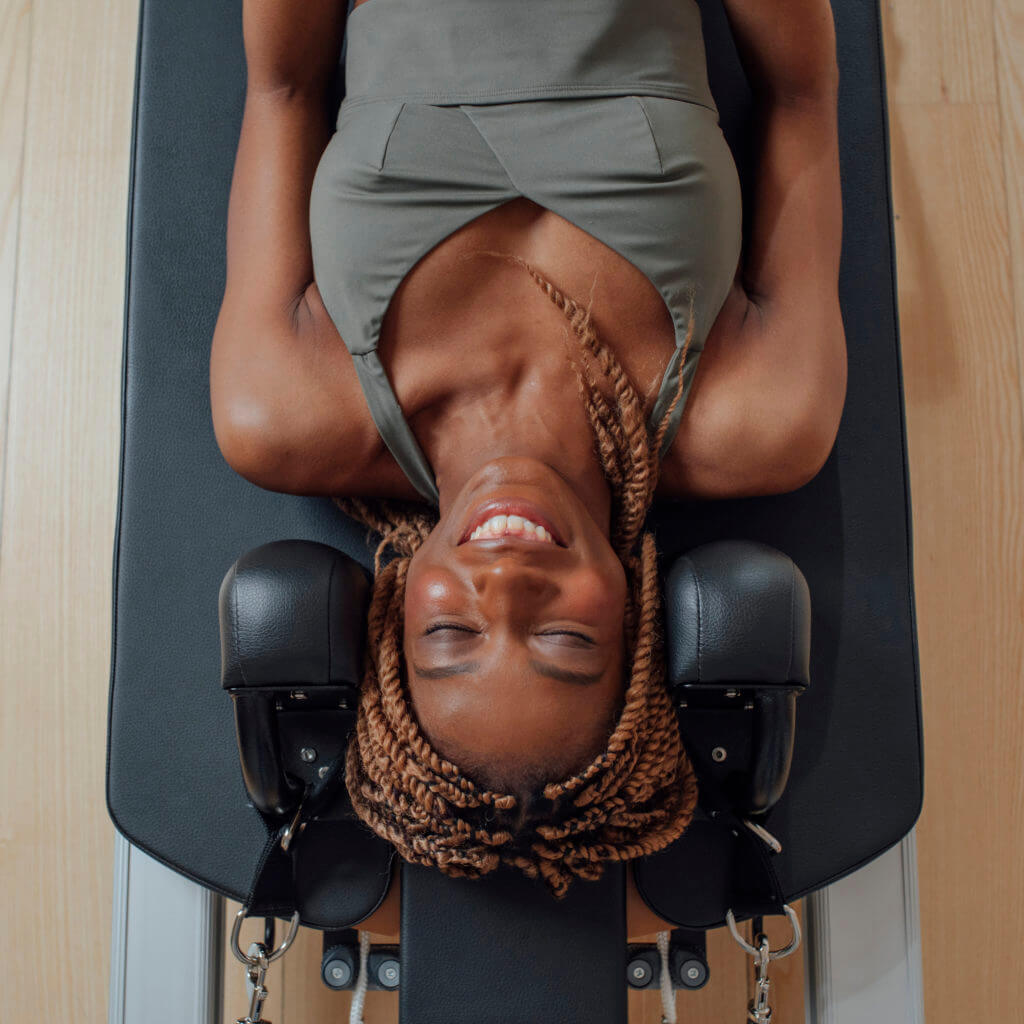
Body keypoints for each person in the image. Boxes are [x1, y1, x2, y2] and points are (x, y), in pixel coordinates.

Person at [210, 0, 845, 909]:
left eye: (450, 636)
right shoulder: (757, 417)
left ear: (393, 614)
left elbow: (283, 88)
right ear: (638, 629)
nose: (504, 585)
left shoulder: (283, 410)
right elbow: (800, 96)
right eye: (562, 638)